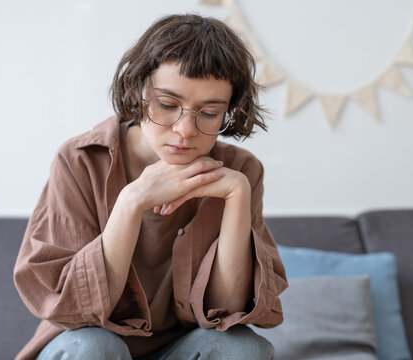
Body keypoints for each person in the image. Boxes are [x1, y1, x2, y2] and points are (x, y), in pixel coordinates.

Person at [14, 13, 288, 360]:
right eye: (168, 105)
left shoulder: (242, 170)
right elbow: (73, 310)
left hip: (182, 349)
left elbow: (227, 310)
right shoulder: (80, 160)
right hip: (90, 341)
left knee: (241, 347)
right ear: (140, 90)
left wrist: (237, 196)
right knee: (96, 347)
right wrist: (132, 201)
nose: (186, 129)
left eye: (209, 112)